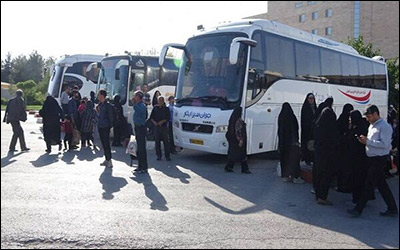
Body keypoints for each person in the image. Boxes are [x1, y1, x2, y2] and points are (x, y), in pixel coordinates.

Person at [348, 105, 398, 218]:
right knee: (382, 185)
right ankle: (393, 208)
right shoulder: (372, 126)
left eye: (369, 116)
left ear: (376, 114)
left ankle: (358, 209)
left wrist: (368, 142)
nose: (367, 119)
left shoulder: (384, 126)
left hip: (378, 159)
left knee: (369, 184)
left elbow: (384, 144)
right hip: (371, 158)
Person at [314, 97, 339, 205]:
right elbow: (334, 137)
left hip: (319, 152)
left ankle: (318, 195)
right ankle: (322, 197)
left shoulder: (320, 125)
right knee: (327, 174)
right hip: (328, 153)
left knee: (320, 173)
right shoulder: (330, 127)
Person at [346, 110, 371, 204]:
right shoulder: (356, 127)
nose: (349, 119)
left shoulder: (360, 129)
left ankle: (358, 199)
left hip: (359, 158)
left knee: (358, 179)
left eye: (350, 117)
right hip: (355, 158)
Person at [278, 103, 304, 184]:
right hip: (292, 144)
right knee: (294, 161)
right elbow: (295, 129)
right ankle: (295, 177)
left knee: (285, 160)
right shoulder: (292, 117)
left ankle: (286, 176)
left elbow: (280, 131)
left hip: (283, 143)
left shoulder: (281, 117)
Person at [224, 107, 251, 174]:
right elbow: (238, 131)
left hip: (232, 140)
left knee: (233, 154)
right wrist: (240, 140)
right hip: (237, 141)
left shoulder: (232, 120)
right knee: (242, 155)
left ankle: (229, 167)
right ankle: (244, 169)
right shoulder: (238, 121)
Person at [336, 103, 354, 193]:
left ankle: (341, 185)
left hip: (340, 148)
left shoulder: (340, 119)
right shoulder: (348, 121)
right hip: (346, 148)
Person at [96, 89, 114, 168]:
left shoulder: (108, 105)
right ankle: (106, 159)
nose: (98, 96)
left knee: (106, 143)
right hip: (100, 125)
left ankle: (109, 160)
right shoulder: (100, 105)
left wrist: (110, 126)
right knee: (103, 143)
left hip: (105, 126)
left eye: (99, 95)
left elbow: (110, 117)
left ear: (102, 96)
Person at [150, 96, 171, 161]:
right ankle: (159, 156)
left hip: (163, 127)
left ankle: (167, 156)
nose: (160, 102)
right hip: (156, 127)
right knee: (157, 142)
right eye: (159, 100)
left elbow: (168, 118)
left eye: (162, 100)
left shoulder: (166, 109)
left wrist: (162, 121)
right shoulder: (155, 108)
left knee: (166, 142)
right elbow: (151, 117)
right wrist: (154, 122)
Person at [132, 90, 149, 174]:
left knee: (142, 148)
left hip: (141, 127)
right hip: (137, 127)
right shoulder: (139, 105)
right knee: (139, 147)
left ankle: (144, 167)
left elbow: (138, 111)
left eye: (135, 96)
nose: (134, 97)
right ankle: (140, 166)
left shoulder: (141, 106)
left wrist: (134, 103)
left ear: (138, 97)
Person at [301, 93, 317, 166]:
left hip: (314, 130)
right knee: (307, 145)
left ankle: (312, 158)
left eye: (312, 98)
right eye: (310, 98)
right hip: (307, 130)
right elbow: (304, 120)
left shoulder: (315, 108)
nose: (311, 100)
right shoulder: (305, 108)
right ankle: (307, 159)